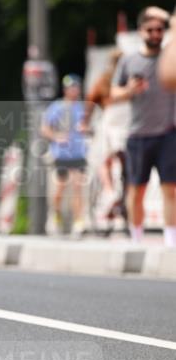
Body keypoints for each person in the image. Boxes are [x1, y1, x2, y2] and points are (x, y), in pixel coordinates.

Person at [111, 8, 176, 246]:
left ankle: (171, 239)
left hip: (168, 132)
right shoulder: (129, 61)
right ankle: (136, 237)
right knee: (136, 190)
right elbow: (113, 93)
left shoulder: (170, 58)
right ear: (141, 32)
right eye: (150, 30)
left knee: (171, 189)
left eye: (160, 30)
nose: (156, 34)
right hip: (138, 135)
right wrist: (128, 90)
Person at [83, 48, 130, 226]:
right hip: (130, 124)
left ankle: (110, 192)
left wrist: (84, 123)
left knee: (102, 161)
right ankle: (123, 198)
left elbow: (90, 101)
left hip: (111, 121)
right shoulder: (130, 80)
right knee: (127, 165)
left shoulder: (105, 80)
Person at [40, 75, 88, 236]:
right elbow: (44, 128)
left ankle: (78, 221)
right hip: (61, 153)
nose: (74, 90)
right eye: (70, 87)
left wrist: (86, 130)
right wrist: (56, 137)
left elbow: (90, 127)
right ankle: (56, 215)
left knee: (77, 187)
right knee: (60, 188)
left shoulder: (83, 108)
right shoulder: (57, 107)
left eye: (76, 87)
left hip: (78, 152)